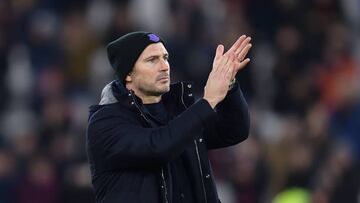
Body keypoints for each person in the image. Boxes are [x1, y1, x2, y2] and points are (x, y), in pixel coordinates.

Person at [86, 31, 252, 203]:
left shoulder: (179, 111)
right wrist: (208, 101)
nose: (164, 66)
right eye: (152, 60)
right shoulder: (105, 122)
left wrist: (228, 82)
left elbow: (234, 130)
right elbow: (157, 147)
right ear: (128, 74)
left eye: (165, 57)